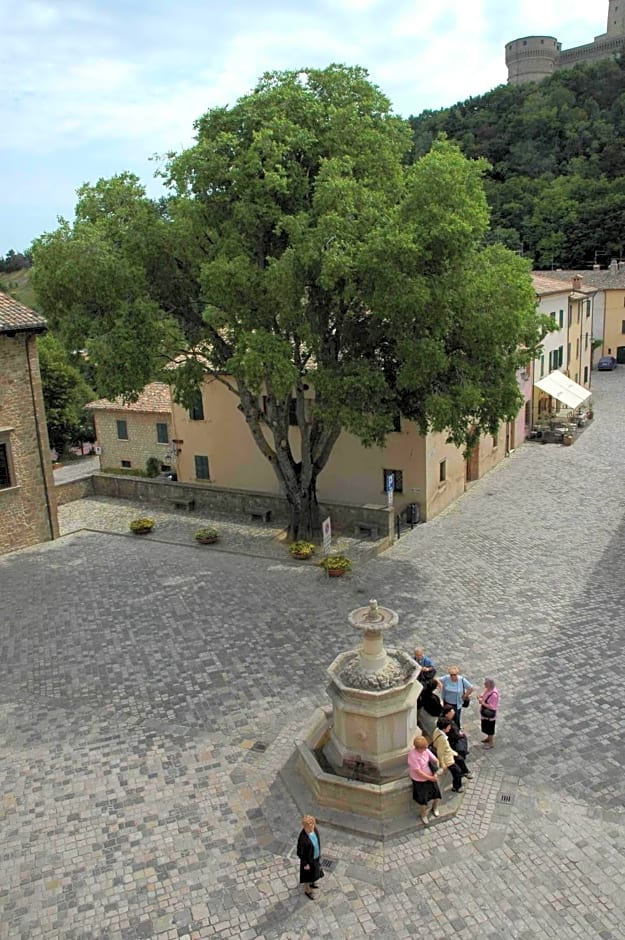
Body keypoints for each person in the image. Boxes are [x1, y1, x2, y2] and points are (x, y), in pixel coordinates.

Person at [407, 734, 441, 826]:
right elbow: (418, 772)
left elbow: (435, 760)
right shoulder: (412, 755)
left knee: (437, 794)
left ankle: (435, 808)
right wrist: (431, 778)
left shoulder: (426, 750)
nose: (425, 749)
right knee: (423, 800)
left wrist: (436, 771)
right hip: (419, 780)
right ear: (417, 748)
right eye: (423, 748)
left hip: (431, 777)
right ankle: (423, 815)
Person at [432, 718, 465, 792]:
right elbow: (440, 752)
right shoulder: (442, 739)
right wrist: (442, 764)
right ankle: (457, 787)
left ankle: (464, 773)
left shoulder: (437, 731)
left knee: (460, 759)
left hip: (449, 752)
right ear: (444, 728)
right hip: (447, 758)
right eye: (448, 726)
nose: (450, 728)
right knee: (457, 771)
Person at [296, 814, 324, 899]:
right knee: (307, 876)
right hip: (307, 861)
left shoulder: (314, 829)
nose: (312, 826)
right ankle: (307, 890)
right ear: (305, 826)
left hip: (315, 857)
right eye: (310, 825)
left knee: (315, 871)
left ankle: (312, 882)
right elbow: (300, 852)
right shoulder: (303, 838)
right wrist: (305, 864)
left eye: (313, 824)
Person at [441, 704, 471, 774]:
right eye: (451, 712)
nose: (453, 713)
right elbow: (453, 735)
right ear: (447, 714)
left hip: (455, 737)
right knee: (461, 751)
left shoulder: (449, 720)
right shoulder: (446, 723)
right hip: (453, 741)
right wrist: (459, 734)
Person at [417, 677, 442, 741]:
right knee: (433, 731)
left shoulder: (423, 693)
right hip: (432, 715)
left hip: (425, 712)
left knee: (425, 726)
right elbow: (438, 709)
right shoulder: (434, 698)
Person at [478, 678, 499, 748]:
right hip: (485, 714)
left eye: (485, 683)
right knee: (486, 727)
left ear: (489, 685)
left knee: (490, 729)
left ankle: (491, 743)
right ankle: (488, 738)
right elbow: (485, 694)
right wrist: (481, 696)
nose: (484, 684)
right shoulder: (489, 689)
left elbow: (492, 707)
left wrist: (482, 703)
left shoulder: (494, 695)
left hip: (489, 715)